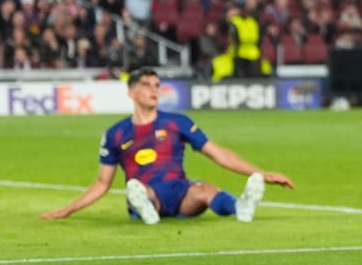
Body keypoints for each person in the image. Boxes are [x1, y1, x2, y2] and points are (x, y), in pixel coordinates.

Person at [40, 68, 295, 224]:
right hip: (149, 190)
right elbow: (101, 183)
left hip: (180, 192)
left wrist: (261, 174)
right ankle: (145, 208)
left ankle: (242, 208)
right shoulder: (115, 134)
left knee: (205, 189)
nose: (154, 90)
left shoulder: (177, 122)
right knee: (138, 192)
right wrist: (68, 210)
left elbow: (217, 153)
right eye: (146, 85)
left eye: (157, 85)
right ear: (131, 92)